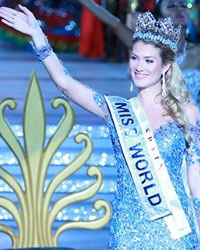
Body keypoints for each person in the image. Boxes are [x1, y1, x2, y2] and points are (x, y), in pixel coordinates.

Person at [0, 5, 200, 249]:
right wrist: (37, 35)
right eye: (134, 58)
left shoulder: (186, 111)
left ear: (165, 66)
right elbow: (66, 84)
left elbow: (195, 172)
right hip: (128, 228)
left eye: (149, 60)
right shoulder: (116, 110)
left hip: (176, 227)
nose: (139, 66)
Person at [77, 0, 200, 107]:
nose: (179, 9)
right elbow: (114, 23)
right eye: (171, 6)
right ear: (161, 17)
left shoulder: (197, 52)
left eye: (183, 5)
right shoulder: (148, 49)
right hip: (157, 121)